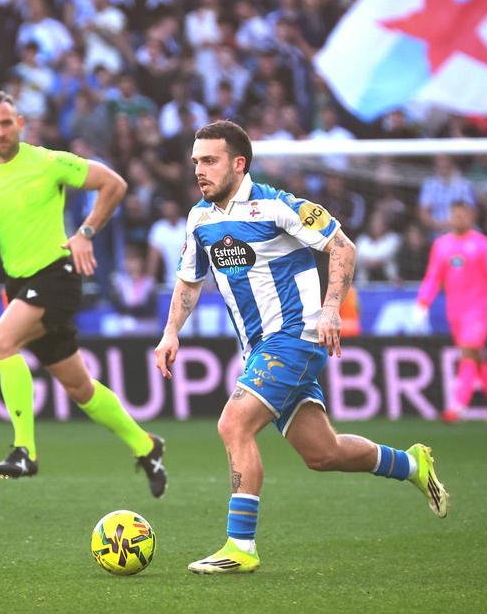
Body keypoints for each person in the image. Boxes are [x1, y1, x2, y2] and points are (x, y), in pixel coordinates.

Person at [155, 120, 447, 575]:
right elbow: (189, 283)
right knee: (323, 453)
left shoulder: (278, 206)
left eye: (209, 161)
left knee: (233, 424)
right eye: (195, 162)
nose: (199, 170)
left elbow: (343, 247)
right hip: (259, 349)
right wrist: (171, 331)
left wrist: (331, 308)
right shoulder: (200, 219)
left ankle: (241, 546)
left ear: (238, 163)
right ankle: (411, 464)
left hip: (295, 336)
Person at [0, 91, 166, 496]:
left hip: (58, 273)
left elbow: (114, 184)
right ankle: (146, 445)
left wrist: (85, 233)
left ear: (21, 123)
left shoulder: (48, 161)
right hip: (19, 284)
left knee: (2, 340)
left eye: (5, 122)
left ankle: (24, 450)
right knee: (80, 388)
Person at [414, 201, 487, 425]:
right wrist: (422, 303)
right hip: (455, 313)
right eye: (455, 215)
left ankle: (458, 406)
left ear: (472, 217)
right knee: (477, 357)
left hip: (478, 311)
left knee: (468, 353)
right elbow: (433, 277)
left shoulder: (484, 245)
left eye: (462, 215)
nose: (458, 219)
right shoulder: (441, 245)